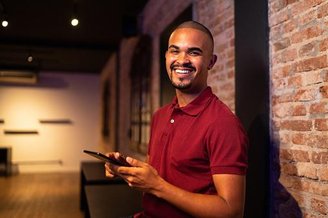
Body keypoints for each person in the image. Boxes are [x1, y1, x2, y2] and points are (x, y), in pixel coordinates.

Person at [105, 20, 248, 218]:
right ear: (166, 57)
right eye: (175, 51)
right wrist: (128, 169)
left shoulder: (223, 123)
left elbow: (231, 211)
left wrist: (157, 186)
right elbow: (159, 176)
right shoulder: (160, 115)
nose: (182, 59)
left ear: (211, 62)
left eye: (194, 52)